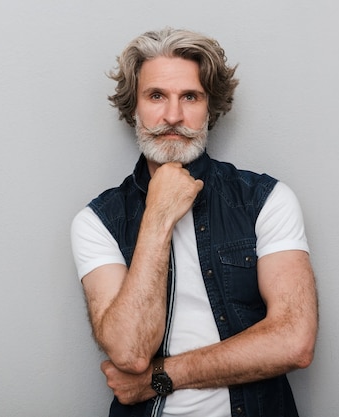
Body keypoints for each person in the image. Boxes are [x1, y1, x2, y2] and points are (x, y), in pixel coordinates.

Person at [71, 27, 318, 417]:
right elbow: (131, 352)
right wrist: (158, 215)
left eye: (190, 96)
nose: (173, 115)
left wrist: (161, 377)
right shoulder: (97, 221)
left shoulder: (265, 200)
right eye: (156, 96)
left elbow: (294, 341)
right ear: (133, 106)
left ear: (210, 107)